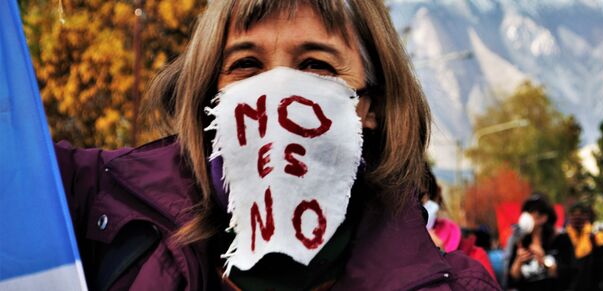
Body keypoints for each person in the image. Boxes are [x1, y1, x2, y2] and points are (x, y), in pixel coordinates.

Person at [54, 1, 500, 290]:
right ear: (210, 96)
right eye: (246, 64)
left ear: (371, 105)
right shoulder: (88, 208)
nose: (279, 93)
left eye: (316, 65)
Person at [505, 194, 574, 291]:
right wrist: (518, 261)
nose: (527, 216)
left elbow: (568, 275)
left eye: (533, 212)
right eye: (527, 212)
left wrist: (544, 261)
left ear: (544, 217)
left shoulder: (560, 239)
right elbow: (512, 279)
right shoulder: (520, 242)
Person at [564, 202, 603, 291]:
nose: (577, 218)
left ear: (587, 217)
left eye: (581, 215)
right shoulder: (564, 237)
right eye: (574, 215)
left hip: (590, 283)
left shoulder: (596, 237)